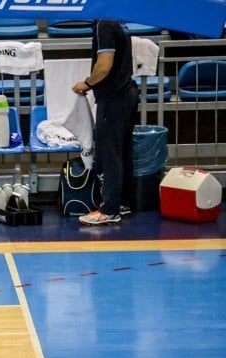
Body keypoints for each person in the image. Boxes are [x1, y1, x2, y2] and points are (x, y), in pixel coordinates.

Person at [73, 20, 137, 226]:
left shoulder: (104, 25)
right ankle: (122, 203)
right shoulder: (118, 22)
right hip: (127, 93)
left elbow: (104, 64)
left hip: (113, 97)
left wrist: (87, 83)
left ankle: (109, 209)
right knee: (123, 152)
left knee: (110, 154)